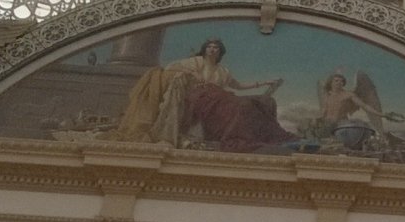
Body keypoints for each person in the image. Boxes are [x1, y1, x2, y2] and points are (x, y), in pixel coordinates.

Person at [111, 38, 298, 152]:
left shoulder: (223, 70)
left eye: (216, 48)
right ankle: (235, 136)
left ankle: (257, 135)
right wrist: (191, 74)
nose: (212, 50)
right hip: (200, 98)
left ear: (220, 52)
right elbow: (170, 68)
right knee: (234, 105)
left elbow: (239, 86)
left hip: (219, 97)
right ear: (205, 49)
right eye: (209, 47)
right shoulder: (196, 62)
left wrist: (264, 83)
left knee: (254, 103)